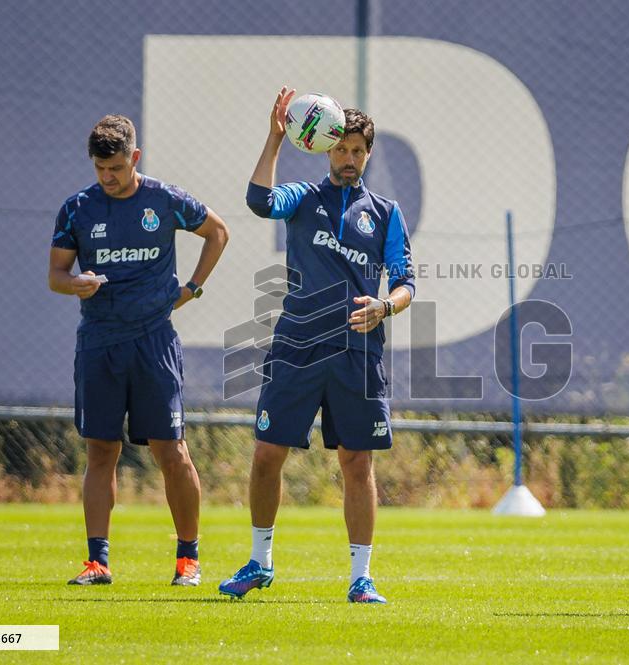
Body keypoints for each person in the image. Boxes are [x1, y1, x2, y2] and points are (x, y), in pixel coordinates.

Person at [218, 88, 415, 604]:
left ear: (367, 156)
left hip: (357, 351)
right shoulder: (303, 198)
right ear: (325, 149)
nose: (348, 159)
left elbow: (406, 281)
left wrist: (385, 306)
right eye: (340, 150)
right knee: (266, 454)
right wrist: (275, 136)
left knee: (356, 463)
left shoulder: (386, 213)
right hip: (297, 345)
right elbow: (259, 201)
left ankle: (361, 578)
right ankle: (260, 563)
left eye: (357, 152)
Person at [49, 114, 229, 586]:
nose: (108, 177)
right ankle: (97, 562)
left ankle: (188, 559)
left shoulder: (164, 200)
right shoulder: (77, 210)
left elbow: (218, 233)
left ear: (135, 158)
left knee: (171, 450)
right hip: (99, 341)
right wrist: (76, 284)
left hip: (153, 342)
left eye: (116, 168)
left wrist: (191, 287)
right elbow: (56, 275)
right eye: (100, 169)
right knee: (101, 451)